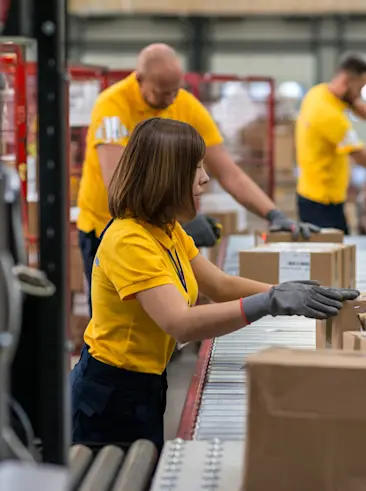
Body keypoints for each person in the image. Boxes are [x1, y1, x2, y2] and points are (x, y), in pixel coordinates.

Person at [70, 118, 359, 452]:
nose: (205, 178)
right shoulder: (129, 240)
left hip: (144, 384)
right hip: (109, 394)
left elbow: (217, 284)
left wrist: (286, 291)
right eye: (195, 168)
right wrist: (269, 304)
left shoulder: (165, 229)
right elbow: (179, 323)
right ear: (168, 176)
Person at [77, 43, 318, 311]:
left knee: (163, 311)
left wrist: (274, 215)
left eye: (175, 90)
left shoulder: (184, 104)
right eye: (162, 92)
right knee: (126, 312)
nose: (171, 99)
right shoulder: (112, 106)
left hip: (159, 224)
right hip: (106, 224)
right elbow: (118, 183)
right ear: (140, 79)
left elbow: (228, 172)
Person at [296, 53, 366, 234]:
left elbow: (357, 105)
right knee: (334, 255)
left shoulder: (319, 92)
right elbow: (361, 157)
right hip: (322, 203)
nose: (360, 94)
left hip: (315, 194)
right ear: (346, 80)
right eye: (360, 86)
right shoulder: (329, 116)